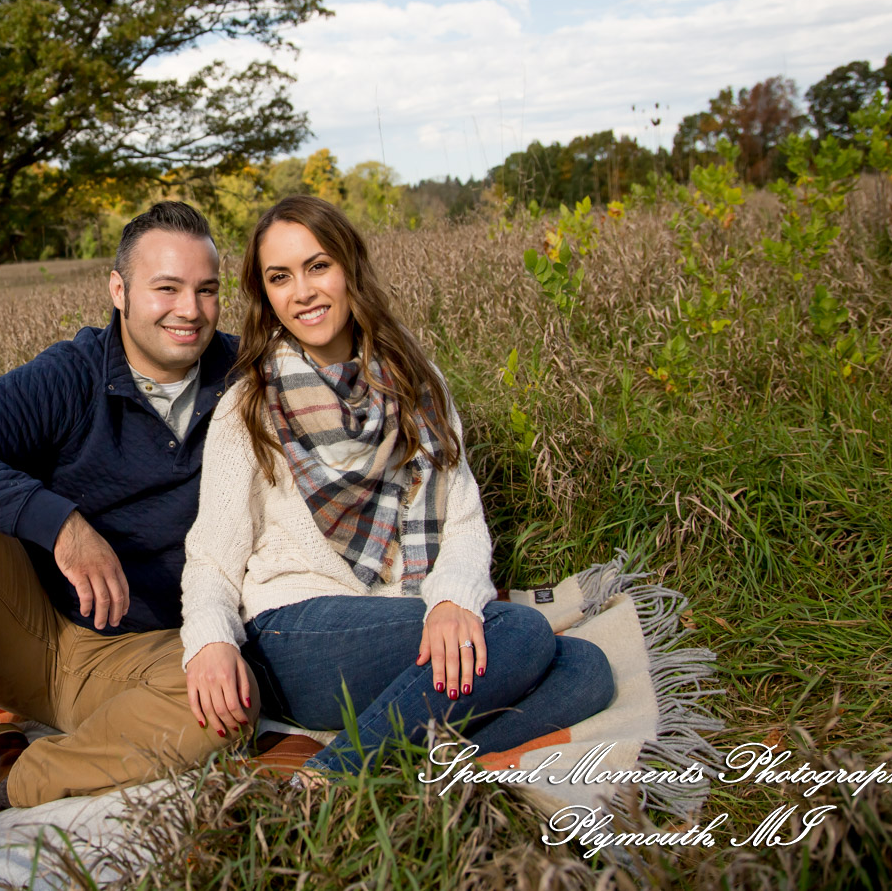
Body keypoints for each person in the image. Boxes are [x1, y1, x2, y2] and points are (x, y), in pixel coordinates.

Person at [179, 195, 615, 777]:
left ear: (349, 268)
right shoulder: (250, 405)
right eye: (280, 277)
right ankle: (331, 783)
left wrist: (453, 602)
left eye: (318, 266)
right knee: (522, 633)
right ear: (265, 295)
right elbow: (211, 556)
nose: (302, 291)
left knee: (585, 669)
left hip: (396, 622)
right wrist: (210, 642)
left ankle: (382, 764)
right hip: (296, 636)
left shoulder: (414, 381)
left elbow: (462, 523)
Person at [0, 201, 253, 834]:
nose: (189, 309)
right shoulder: (73, 373)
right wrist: (61, 523)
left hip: (149, 657)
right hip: (34, 635)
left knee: (228, 702)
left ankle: (3, 776)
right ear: (119, 291)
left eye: (206, 290)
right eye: (167, 288)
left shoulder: (246, 379)